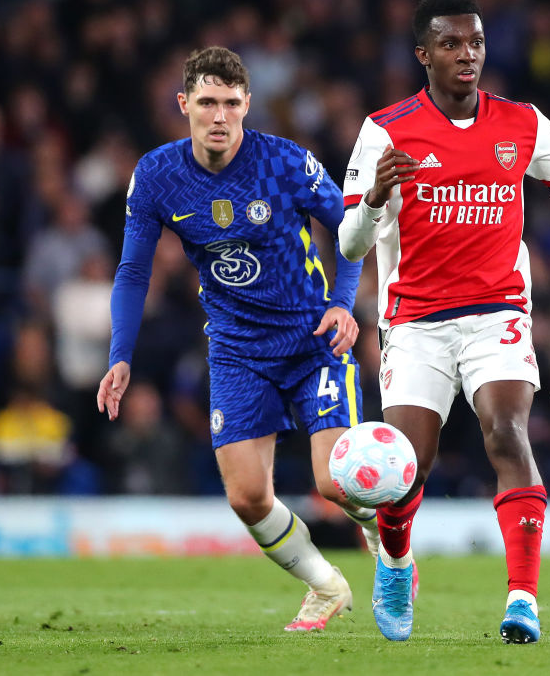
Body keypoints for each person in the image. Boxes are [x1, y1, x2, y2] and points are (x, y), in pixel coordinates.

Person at [339, 0, 550, 643]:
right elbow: (350, 243)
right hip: (415, 321)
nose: (467, 53)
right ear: (423, 54)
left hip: (497, 312)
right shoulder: (385, 129)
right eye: (450, 43)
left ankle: (523, 598)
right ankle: (396, 562)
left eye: (475, 41)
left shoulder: (521, 123)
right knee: (407, 468)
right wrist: (373, 199)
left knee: (507, 431)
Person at [96, 46, 381, 632]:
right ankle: (325, 586)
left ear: (248, 104)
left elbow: (351, 227)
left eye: (230, 102)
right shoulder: (156, 175)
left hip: (311, 340)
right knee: (248, 498)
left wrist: (342, 305)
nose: (219, 114)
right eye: (207, 102)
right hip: (235, 349)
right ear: (184, 106)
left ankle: (392, 548)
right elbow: (132, 273)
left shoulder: (285, 163)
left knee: (334, 484)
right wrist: (120, 356)